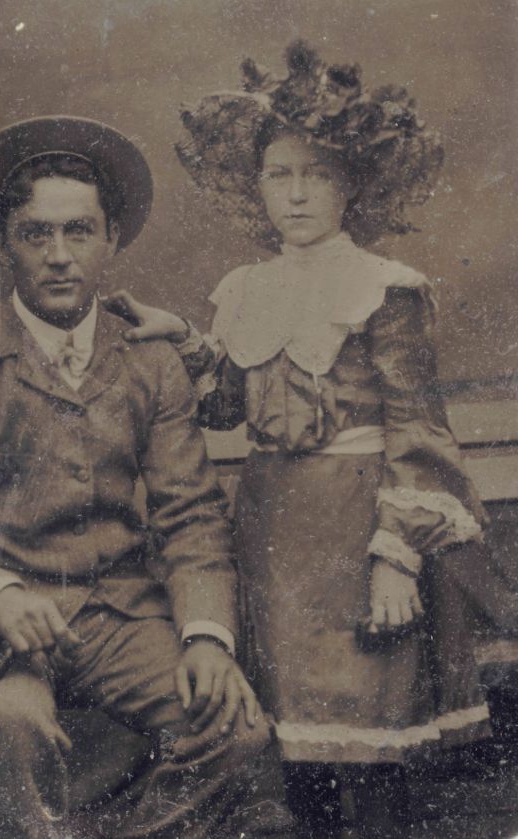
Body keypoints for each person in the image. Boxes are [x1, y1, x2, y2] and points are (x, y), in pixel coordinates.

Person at [104, 42, 498, 838]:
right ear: (255, 187)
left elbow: (417, 430)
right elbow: (229, 407)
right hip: (272, 529)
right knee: (296, 742)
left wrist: (395, 556)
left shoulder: (384, 287)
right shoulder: (247, 289)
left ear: (351, 185)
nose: (295, 193)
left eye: (317, 174)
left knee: (372, 735)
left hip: (359, 528)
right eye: (278, 174)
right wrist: (183, 337)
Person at [0, 116, 296, 839]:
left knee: (236, 729)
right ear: (2, 246)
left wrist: (206, 637)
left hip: (118, 616)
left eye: (79, 232)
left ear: (111, 240)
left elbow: (192, 517)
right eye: (35, 235)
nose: (59, 257)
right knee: (13, 727)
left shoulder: (149, 361)